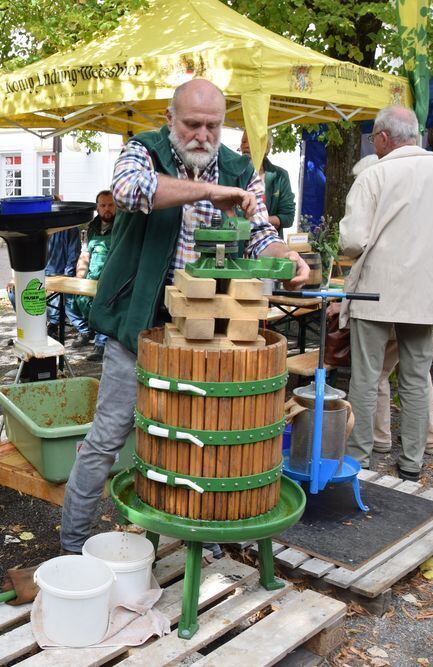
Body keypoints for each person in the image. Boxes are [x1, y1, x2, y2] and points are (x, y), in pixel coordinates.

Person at [59, 79, 309, 554]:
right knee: (108, 437)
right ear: (171, 120)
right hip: (139, 326)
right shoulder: (143, 150)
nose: (202, 134)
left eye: (212, 125)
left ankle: (202, 536)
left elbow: (259, 233)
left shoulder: (241, 168)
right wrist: (208, 191)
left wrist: (285, 257)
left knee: (202, 440)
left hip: (209, 337)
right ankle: (72, 548)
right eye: (192, 124)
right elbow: (131, 191)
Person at [340, 105, 433, 481]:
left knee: (365, 377)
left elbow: (352, 242)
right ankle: (412, 462)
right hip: (426, 292)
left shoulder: (374, 175)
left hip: (376, 290)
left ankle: (360, 457)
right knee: (416, 377)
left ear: (382, 138)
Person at [73, 190, 117, 361]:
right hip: (92, 275)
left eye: (111, 205)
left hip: (112, 278)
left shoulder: (122, 225)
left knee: (102, 303)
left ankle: (101, 343)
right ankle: (85, 330)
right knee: (72, 297)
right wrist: (79, 279)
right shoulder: (92, 227)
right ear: (97, 208)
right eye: (103, 205)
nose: (107, 209)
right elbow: (85, 255)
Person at [240, 132, 296, 232]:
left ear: (267, 147)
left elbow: (288, 217)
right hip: (236, 243)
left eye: (253, 141)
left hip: (268, 241)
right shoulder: (231, 172)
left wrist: (257, 221)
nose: (246, 145)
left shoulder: (280, 176)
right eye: (243, 141)